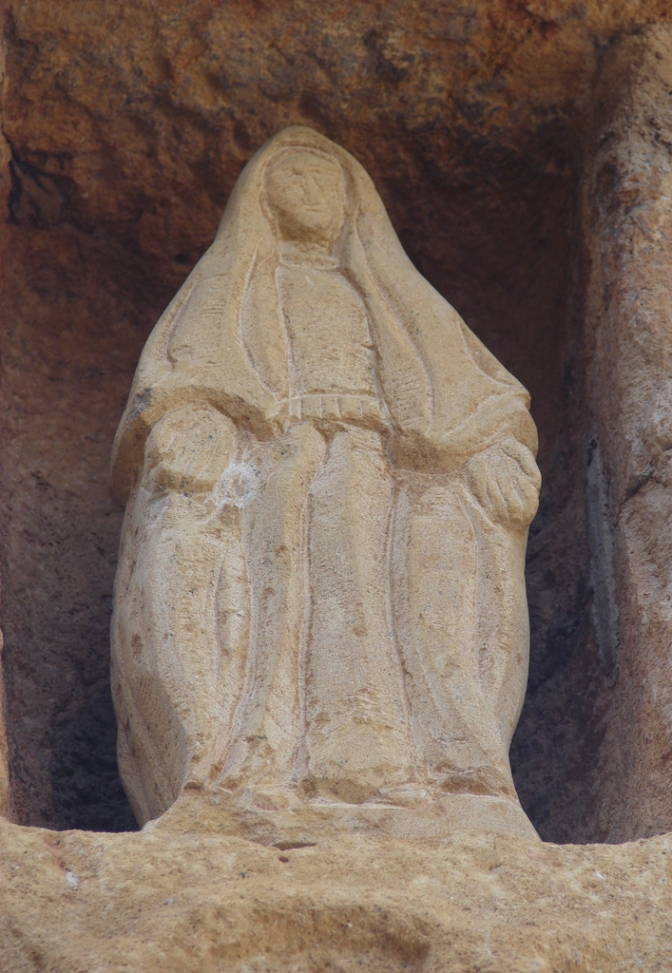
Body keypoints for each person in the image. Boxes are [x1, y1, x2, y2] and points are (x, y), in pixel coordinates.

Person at [110, 126, 541, 839]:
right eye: (289, 180)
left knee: (372, 590)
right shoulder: (234, 291)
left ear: (353, 203)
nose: (307, 192)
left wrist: (484, 448)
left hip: (378, 458)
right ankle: (252, 765)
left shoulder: (394, 298)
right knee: (278, 588)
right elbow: (179, 385)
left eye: (322, 179)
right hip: (274, 461)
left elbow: (475, 394)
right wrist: (199, 429)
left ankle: (408, 767)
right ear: (261, 201)